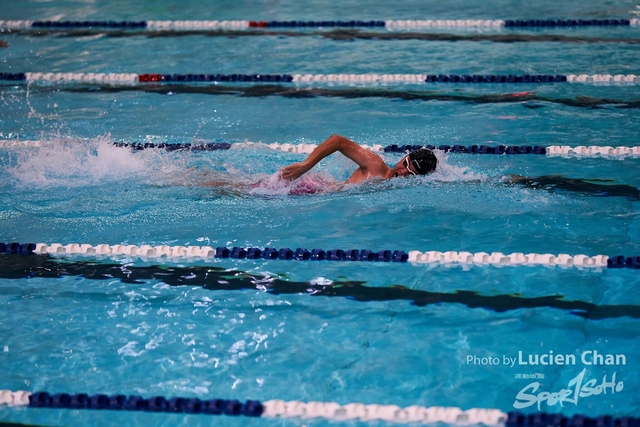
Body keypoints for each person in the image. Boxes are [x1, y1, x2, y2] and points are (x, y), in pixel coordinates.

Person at [278, 134, 437, 184]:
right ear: (404, 157)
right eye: (405, 165)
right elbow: (338, 141)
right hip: (310, 188)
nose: (402, 172)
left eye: (410, 173)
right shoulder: (375, 165)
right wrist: (306, 165)